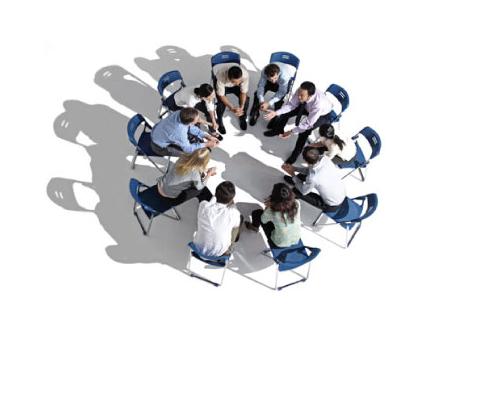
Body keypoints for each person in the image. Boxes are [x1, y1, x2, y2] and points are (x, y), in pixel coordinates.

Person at [263, 81, 334, 165]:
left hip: (322, 114)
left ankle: (296, 153)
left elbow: (308, 124)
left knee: (305, 131)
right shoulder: (301, 91)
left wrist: (291, 131)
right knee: (286, 112)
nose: (298, 96)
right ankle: (277, 130)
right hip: (307, 105)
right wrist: (276, 113)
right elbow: (291, 105)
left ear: (310, 96)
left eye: (301, 95)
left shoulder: (318, 104)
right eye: (298, 94)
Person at [282, 146, 346, 213]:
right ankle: (295, 181)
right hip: (342, 193)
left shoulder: (313, 178)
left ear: (304, 160)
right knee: (306, 176)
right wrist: (295, 169)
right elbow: (311, 170)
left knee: (298, 191)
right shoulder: (325, 158)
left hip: (332, 206)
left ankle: (292, 193)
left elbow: (303, 191)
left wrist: (292, 174)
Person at [193, 181, 244, 257]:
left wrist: (215, 196)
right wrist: (233, 204)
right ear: (231, 199)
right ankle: (234, 240)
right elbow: (236, 221)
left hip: (197, 247)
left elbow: (210, 203)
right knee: (240, 219)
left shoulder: (203, 205)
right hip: (220, 253)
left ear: (215, 194)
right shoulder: (234, 213)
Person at [245, 183, 301, 248]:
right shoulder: (297, 203)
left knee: (256, 213)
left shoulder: (272, 212)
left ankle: (254, 227)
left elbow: (263, 220)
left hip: (279, 243)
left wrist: (268, 207)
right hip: (295, 239)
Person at [150, 108, 219, 157]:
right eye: (197, 119)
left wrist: (206, 136)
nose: (200, 119)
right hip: (158, 146)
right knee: (191, 154)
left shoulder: (180, 113)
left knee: (193, 131)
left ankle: (198, 144)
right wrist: (206, 144)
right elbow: (188, 149)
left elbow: (190, 127)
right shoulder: (179, 132)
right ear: (190, 122)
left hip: (158, 131)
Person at [248, 62, 295, 127]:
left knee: (279, 100)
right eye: (271, 79)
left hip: (282, 83)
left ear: (278, 73)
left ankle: (275, 116)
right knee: (257, 95)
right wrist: (261, 101)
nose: (273, 81)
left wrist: (269, 103)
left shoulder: (284, 77)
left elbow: (281, 92)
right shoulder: (264, 72)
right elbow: (261, 86)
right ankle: (255, 113)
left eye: (275, 78)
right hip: (271, 79)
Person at [213, 64, 250, 134]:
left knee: (246, 99)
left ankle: (242, 117)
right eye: (234, 82)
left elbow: (243, 92)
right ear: (229, 78)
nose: (238, 83)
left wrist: (241, 107)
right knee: (221, 104)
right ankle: (219, 121)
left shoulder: (245, 75)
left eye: (239, 81)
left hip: (234, 86)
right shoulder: (221, 76)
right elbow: (221, 95)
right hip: (223, 85)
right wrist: (232, 108)